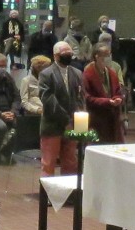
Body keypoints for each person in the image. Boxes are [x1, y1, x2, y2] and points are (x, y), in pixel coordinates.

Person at [37, 44, 84, 175]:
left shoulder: (77, 73)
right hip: (53, 125)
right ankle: (46, 194)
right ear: (56, 56)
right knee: (49, 163)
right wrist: (66, 120)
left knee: (70, 163)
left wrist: (79, 123)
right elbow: (48, 100)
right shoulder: (46, 74)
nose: (68, 56)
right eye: (65, 54)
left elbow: (80, 98)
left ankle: (68, 193)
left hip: (73, 125)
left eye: (70, 54)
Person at [81, 42, 126, 143]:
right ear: (96, 56)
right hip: (96, 118)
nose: (108, 58)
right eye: (105, 55)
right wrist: (107, 101)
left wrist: (118, 98)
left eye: (109, 55)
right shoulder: (88, 74)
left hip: (112, 118)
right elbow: (87, 98)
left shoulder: (112, 73)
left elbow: (118, 92)